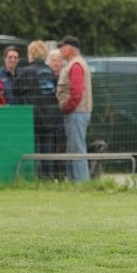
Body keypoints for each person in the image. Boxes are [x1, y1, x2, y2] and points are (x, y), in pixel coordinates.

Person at [15, 41, 63, 179]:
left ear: (31, 53)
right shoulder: (49, 71)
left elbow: (16, 90)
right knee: (47, 150)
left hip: (34, 116)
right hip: (50, 116)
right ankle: (48, 178)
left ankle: (37, 178)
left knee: (35, 149)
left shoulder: (27, 71)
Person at [56, 35, 92, 183]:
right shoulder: (75, 63)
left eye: (62, 47)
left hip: (76, 112)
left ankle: (81, 182)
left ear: (70, 49)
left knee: (77, 150)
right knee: (74, 148)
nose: (60, 51)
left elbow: (76, 93)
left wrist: (67, 107)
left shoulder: (75, 65)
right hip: (77, 112)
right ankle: (74, 181)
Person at [46, 48, 67, 178]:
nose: (56, 63)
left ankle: (61, 175)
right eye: (53, 60)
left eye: (58, 60)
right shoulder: (46, 77)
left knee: (62, 147)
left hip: (62, 117)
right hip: (48, 118)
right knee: (49, 146)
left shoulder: (64, 77)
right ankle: (50, 175)